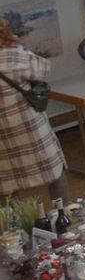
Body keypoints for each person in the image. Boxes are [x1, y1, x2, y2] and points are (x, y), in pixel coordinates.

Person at [0, 19, 66, 203]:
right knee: (54, 173)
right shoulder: (12, 55)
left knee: (6, 187)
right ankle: (64, 216)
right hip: (28, 128)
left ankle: (12, 229)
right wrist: (18, 46)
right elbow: (43, 70)